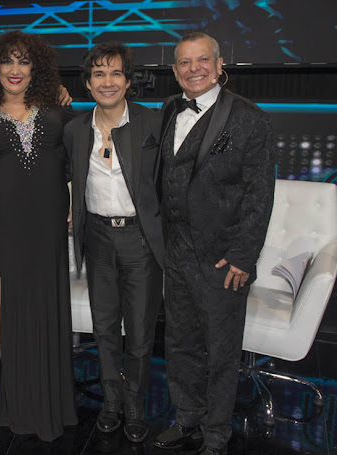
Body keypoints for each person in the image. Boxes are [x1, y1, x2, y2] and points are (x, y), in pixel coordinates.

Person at [153, 32, 275, 455]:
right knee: (179, 343)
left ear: (220, 65)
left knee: (222, 352)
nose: (194, 69)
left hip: (223, 259)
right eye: (185, 63)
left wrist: (243, 255)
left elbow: (260, 194)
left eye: (202, 60)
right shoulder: (169, 109)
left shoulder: (249, 118)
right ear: (175, 72)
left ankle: (216, 434)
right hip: (176, 251)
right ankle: (187, 419)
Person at [0, 31, 77, 442]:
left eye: (23, 61)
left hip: (46, 227)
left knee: (44, 305)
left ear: (35, 68)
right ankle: (15, 394)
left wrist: (75, 201)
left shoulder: (60, 112)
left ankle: (44, 398)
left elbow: (78, 164)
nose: (15, 70)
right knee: (2, 306)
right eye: (7, 61)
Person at [63, 42, 164, 442]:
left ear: (127, 81)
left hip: (140, 239)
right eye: (99, 74)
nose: (108, 81)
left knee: (139, 331)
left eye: (116, 73)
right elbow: (65, 177)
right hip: (98, 238)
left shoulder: (152, 122)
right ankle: (111, 401)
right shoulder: (75, 130)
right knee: (104, 327)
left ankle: (135, 404)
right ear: (88, 83)